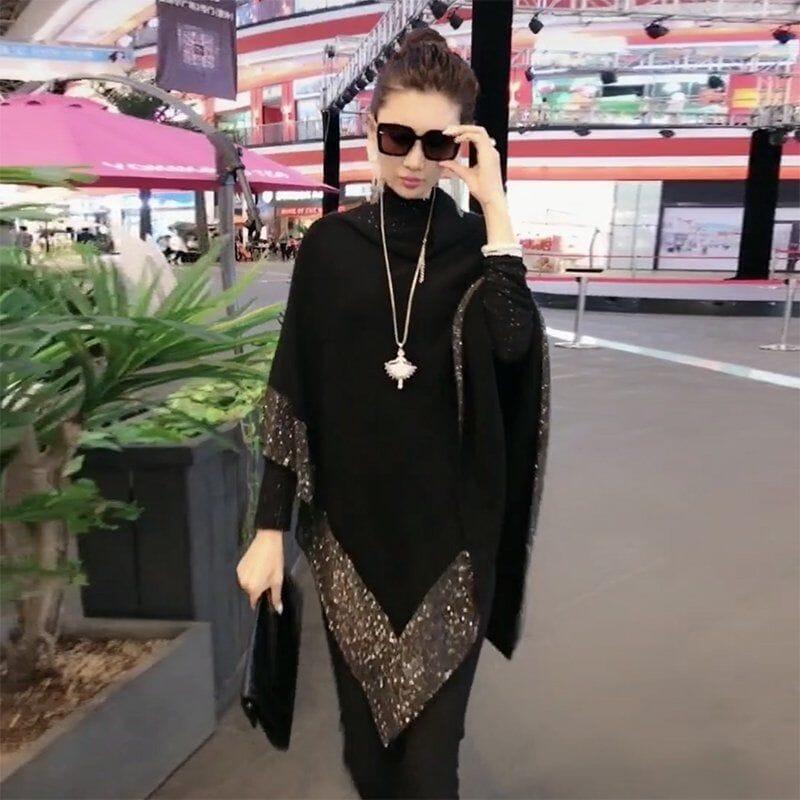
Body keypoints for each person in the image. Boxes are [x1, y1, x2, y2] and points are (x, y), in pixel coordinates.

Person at [236, 28, 550, 799]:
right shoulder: (329, 248)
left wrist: (495, 205)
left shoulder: (478, 250)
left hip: (453, 545)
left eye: (436, 143)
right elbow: (291, 386)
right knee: (369, 761)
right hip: (354, 540)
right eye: (397, 137)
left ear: (462, 146)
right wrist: (270, 529)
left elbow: (515, 343)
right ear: (370, 128)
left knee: (429, 768)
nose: (413, 160)